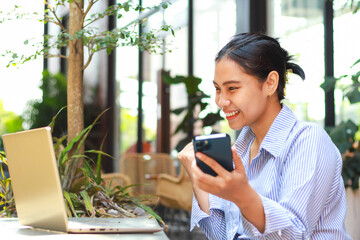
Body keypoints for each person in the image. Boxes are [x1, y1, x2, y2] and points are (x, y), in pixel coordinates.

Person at [177, 32, 351, 239]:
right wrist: (199, 180)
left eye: (232, 88)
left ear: (270, 83)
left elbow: (292, 235)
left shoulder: (309, 140)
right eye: (217, 89)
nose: (221, 101)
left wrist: (242, 196)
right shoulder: (240, 150)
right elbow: (224, 235)